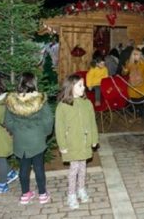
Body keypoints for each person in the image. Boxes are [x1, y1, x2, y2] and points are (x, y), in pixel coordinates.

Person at [5, 72, 54, 205]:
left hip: (20, 142)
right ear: (34, 83)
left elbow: (8, 121)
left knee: (23, 169)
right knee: (39, 168)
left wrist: (17, 130)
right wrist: (45, 133)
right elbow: (48, 119)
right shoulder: (40, 100)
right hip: (37, 140)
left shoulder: (12, 101)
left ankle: (25, 194)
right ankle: (43, 195)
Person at [55, 74, 99, 210]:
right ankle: (71, 194)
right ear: (70, 87)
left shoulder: (87, 103)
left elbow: (92, 122)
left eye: (83, 85)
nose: (83, 87)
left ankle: (81, 189)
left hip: (84, 141)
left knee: (83, 167)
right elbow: (59, 127)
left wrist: (94, 139)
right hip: (72, 143)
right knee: (74, 169)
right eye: (80, 85)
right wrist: (62, 145)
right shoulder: (63, 106)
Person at [122, 48, 144, 118]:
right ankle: (135, 116)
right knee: (134, 102)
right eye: (137, 54)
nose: (139, 56)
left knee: (141, 102)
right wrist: (125, 70)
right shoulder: (129, 63)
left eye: (140, 54)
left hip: (142, 86)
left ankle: (142, 117)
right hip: (132, 87)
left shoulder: (143, 63)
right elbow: (124, 73)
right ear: (133, 55)